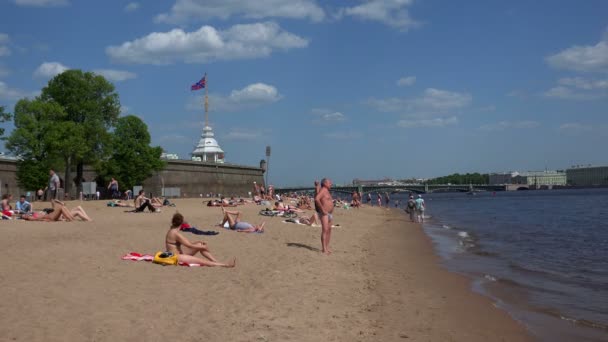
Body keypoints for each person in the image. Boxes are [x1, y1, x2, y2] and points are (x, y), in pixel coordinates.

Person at [165, 213, 236, 267]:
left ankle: (216, 261)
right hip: (176, 257)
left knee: (199, 244)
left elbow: (188, 244)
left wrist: (198, 243)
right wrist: (203, 247)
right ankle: (225, 265)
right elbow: (189, 246)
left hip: (178, 255)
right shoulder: (176, 234)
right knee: (202, 261)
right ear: (181, 223)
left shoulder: (172, 231)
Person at [315, 178, 334, 254]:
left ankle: (327, 247)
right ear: (325, 183)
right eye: (329, 182)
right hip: (324, 214)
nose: (331, 183)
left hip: (330, 214)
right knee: (325, 230)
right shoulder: (323, 190)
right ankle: (324, 249)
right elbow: (317, 199)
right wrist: (322, 209)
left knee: (329, 230)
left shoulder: (327, 191)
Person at [23, 199, 92, 221]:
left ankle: (88, 218)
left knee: (78, 208)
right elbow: (39, 219)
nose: (26, 214)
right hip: (57, 217)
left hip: (58, 216)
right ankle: (87, 219)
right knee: (77, 211)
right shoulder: (31, 217)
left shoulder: (33, 214)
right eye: (25, 215)